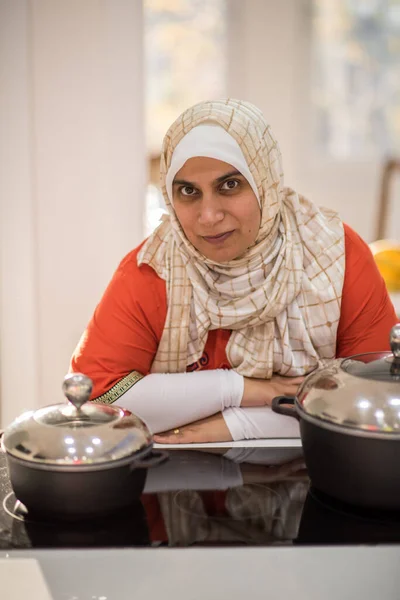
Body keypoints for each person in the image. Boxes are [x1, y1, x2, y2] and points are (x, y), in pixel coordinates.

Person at [70, 99, 398, 443]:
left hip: (320, 480)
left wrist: (235, 426)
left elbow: (378, 404)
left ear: (264, 182)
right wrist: (240, 390)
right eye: (188, 191)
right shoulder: (153, 270)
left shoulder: (334, 256)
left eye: (229, 185)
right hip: (182, 483)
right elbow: (95, 403)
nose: (209, 215)